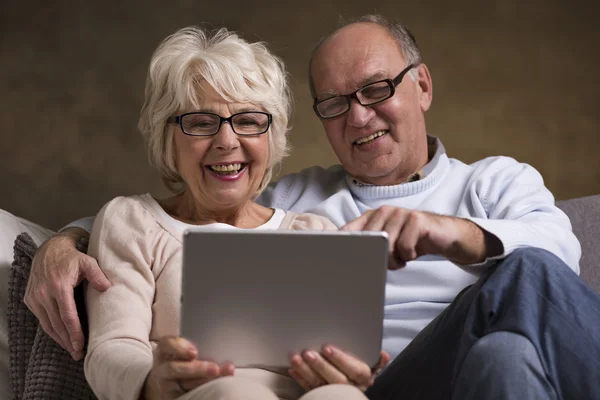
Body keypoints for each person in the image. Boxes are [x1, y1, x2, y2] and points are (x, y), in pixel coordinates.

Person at [26, 14, 600, 399]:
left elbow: (558, 259)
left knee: (506, 349)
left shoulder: (496, 181)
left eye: (376, 89)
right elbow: (174, 221)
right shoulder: (299, 204)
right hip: (378, 388)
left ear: (421, 86)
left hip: (468, 375)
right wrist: (61, 242)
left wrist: (452, 233)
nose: (358, 116)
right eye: (333, 103)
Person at [46, 26, 387, 400]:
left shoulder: (316, 232)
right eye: (201, 123)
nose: (227, 141)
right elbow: (113, 346)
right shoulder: (133, 222)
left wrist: (350, 371)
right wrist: (151, 380)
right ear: (167, 139)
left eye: (248, 120)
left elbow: (345, 358)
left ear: (270, 138)